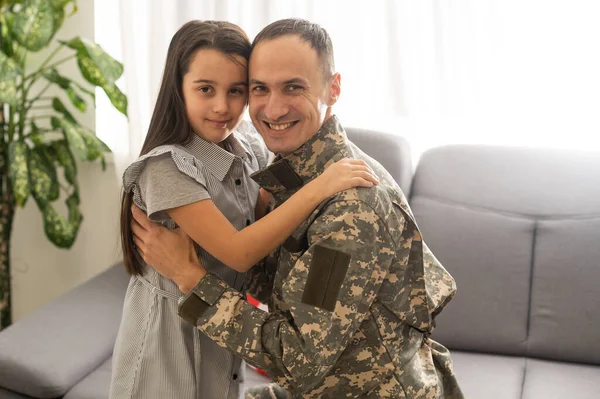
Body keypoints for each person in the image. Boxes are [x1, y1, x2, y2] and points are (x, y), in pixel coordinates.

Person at [132, 18, 465, 399]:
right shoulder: (295, 173)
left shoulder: (348, 211)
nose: (273, 109)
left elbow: (298, 359)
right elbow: (281, 281)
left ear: (333, 89)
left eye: (293, 87)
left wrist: (189, 277)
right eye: (259, 89)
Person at [110, 20, 379, 399]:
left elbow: (265, 226)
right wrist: (322, 185)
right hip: (167, 337)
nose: (222, 106)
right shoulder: (166, 167)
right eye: (205, 89)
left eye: (236, 91)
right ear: (178, 89)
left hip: (220, 329)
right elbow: (240, 253)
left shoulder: (248, 150)